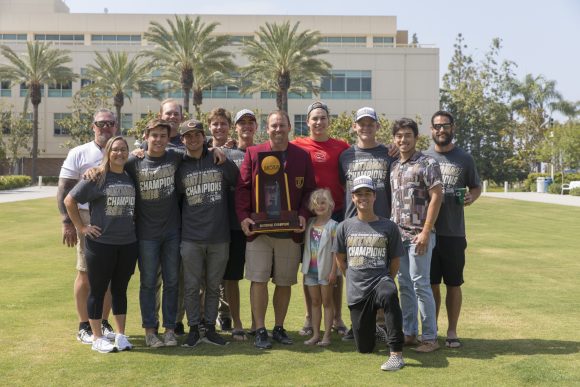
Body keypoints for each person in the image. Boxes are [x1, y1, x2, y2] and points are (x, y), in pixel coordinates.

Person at [236, 110, 316, 349]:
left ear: (290, 127)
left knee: (284, 281)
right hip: (259, 233)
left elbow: (310, 191)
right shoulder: (253, 153)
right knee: (258, 280)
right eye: (273, 126)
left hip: (289, 232)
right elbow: (242, 189)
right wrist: (243, 217)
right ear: (267, 129)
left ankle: (279, 327)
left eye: (282, 125)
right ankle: (260, 329)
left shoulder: (302, 156)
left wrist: (303, 214)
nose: (278, 129)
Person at [63, 136, 138, 353]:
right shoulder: (97, 177)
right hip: (101, 244)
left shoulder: (129, 176)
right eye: (115, 150)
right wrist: (81, 228)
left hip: (127, 243)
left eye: (124, 149)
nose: (120, 153)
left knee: (120, 290)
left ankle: (121, 335)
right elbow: (70, 200)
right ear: (107, 152)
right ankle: (97, 337)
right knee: (97, 289)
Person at [177, 119, 239, 348]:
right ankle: (194, 328)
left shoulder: (220, 160)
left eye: (197, 135)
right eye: (188, 136)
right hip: (191, 236)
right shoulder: (179, 165)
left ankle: (210, 328)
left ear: (204, 137)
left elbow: (239, 183)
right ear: (182, 139)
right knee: (192, 286)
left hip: (219, 235)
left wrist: (220, 151)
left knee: (214, 285)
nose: (193, 140)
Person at [333, 175, 406, 371]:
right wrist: (352, 277)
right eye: (359, 194)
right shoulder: (344, 227)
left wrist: (388, 280)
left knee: (389, 294)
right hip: (358, 290)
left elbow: (396, 259)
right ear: (353, 197)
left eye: (367, 193)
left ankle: (396, 354)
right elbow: (340, 258)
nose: (363, 197)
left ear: (374, 196)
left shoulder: (389, 226)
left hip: (380, 280)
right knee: (364, 348)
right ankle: (375, 330)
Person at [57, 108, 117, 345]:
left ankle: (102, 321)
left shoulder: (122, 151)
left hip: (114, 217)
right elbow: (64, 189)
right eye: (101, 124)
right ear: (93, 127)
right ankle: (84, 325)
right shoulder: (79, 152)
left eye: (110, 123)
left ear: (115, 126)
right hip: (85, 216)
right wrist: (68, 223)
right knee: (85, 272)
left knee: (110, 274)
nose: (105, 127)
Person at [424, 111, 481, 348]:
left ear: (452, 128)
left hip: (454, 232)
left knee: (454, 283)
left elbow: (476, 186)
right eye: (436, 126)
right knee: (431, 284)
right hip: (428, 231)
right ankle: (432, 329)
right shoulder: (423, 157)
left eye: (445, 126)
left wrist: (471, 196)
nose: (441, 130)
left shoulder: (464, 158)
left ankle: (452, 330)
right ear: (431, 130)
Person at [338, 106, 397, 341]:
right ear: (355, 127)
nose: (365, 128)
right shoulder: (346, 156)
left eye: (370, 123)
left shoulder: (388, 154)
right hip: (353, 224)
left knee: (382, 275)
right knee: (356, 275)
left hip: (381, 224)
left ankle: (381, 324)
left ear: (377, 127)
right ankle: (360, 323)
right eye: (361, 123)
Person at [292, 101, 350, 337]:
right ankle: (309, 316)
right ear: (307, 122)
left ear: (329, 121)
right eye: (314, 118)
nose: (318, 122)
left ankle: (336, 317)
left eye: (323, 118)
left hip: (336, 215)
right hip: (309, 216)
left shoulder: (342, 147)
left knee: (335, 269)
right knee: (311, 267)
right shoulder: (297, 145)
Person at [124, 118, 183, 348]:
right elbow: (110, 164)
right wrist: (93, 170)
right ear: (146, 136)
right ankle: (150, 331)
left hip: (171, 232)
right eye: (154, 135)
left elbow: (200, 151)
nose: (158, 140)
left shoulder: (176, 157)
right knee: (148, 283)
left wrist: (218, 149)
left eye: (163, 136)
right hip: (146, 234)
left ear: (168, 139)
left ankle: (169, 330)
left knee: (171, 282)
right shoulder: (133, 162)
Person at [390, 117, 443, 353]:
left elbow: (437, 196)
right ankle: (410, 333)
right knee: (404, 286)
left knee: (420, 284)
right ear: (394, 139)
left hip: (419, 236)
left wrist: (425, 231)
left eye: (407, 135)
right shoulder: (394, 166)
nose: (403, 139)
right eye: (399, 136)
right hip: (398, 237)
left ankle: (430, 337)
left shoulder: (428, 163)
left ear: (415, 137)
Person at [220, 109, 258, 341]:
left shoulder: (264, 152)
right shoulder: (223, 152)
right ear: (235, 127)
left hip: (257, 225)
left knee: (257, 276)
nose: (246, 126)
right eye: (241, 123)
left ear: (256, 126)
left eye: (250, 122)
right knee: (232, 277)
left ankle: (257, 323)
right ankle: (237, 323)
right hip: (231, 226)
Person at [300, 188, 338, 346]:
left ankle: (327, 336)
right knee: (315, 302)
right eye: (316, 204)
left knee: (327, 302)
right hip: (311, 271)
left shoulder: (334, 225)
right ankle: (316, 334)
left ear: (330, 204)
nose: (320, 206)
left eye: (323, 202)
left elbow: (336, 251)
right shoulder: (309, 223)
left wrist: (333, 272)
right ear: (312, 207)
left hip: (326, 271)